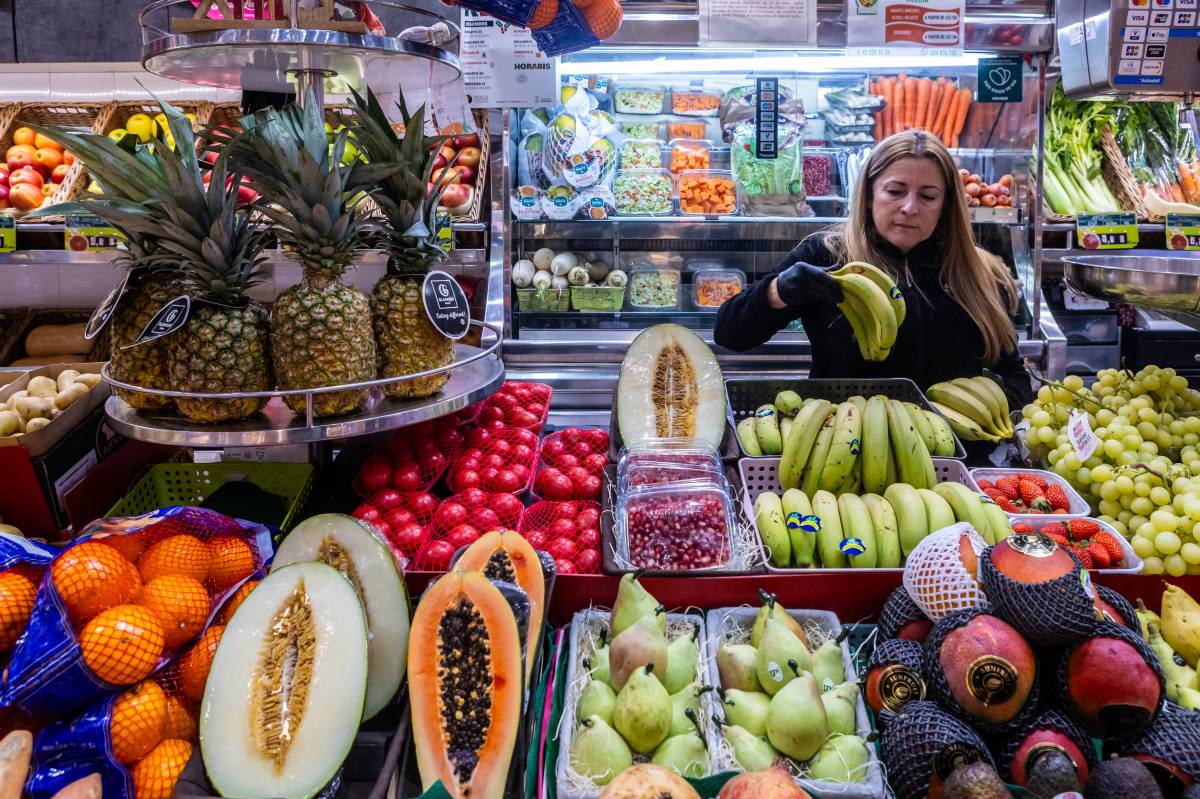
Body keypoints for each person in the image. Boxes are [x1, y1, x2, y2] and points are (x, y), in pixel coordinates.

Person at [714, 130, 1032, 409]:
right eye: (895, 191)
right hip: (840, 445)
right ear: (868, 196)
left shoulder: (979, 273)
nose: (909, 207)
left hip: (952, 458)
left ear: (946, 206)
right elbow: (730, 334)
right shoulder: (826, 255)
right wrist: (777, 292)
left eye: (928, 196)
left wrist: (984, 415)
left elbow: (1015, 375)